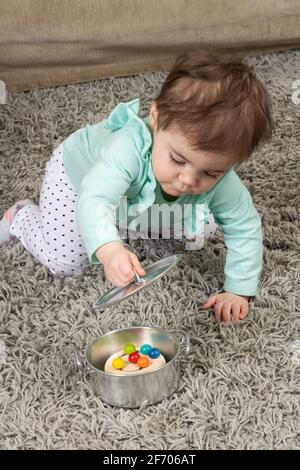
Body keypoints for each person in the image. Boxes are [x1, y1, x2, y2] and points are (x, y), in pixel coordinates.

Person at [0, 49, 273, 324]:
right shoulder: (127, 149)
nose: (189, 179)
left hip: (132, 198)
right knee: (66, 262)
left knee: (204, 226)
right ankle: (21, 218)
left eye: (211, 172)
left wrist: (238, 290)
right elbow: (96, 200)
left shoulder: (219, 179)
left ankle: (123, 219)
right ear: (156, 119)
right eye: (178, 160)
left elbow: (244, 224)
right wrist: (109, 250)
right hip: (80, 182)